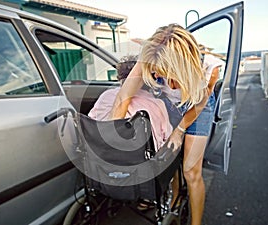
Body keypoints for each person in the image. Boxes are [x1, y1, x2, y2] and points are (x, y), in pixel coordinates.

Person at [109, 24, 223, 225]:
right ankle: (176, 195)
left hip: (197, 104)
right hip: (167, 103)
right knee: (168, 157)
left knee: (190, 171)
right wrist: (114, 138)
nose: (166, 81)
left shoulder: (209, 69)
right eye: (158, 74)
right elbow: (123, 98)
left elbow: (201, 102)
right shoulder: (148, 58)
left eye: (169, 74)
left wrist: (179, 130)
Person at [88, 54, 173, 150]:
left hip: (102, 152)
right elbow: (167, 138)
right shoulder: (157, 105)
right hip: (141, 159)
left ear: (121, 78)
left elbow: (91, 123)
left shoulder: (105, 96)